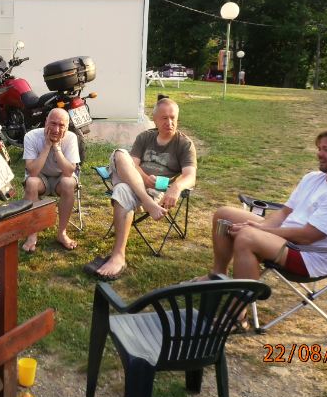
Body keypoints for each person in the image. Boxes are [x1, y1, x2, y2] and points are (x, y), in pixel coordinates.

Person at [195, 128, 327, 329]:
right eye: (319, 148)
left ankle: (237, 316)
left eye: (326, 149)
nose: (319, 154)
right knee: (224, 215)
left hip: (310, 257)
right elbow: (284, 213)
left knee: (247, 237)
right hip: (287, 239)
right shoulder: (314, 178)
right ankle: (218, 275)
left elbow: (307, 237)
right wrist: (260, 226)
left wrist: (259, 232)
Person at [94, 97, 197, 279]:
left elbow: (190, 175)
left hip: (157, 191)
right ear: (155, 119)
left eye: (173, 117)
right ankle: (145, 204)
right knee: (120, 154)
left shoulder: (184, 144)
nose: (169, 122)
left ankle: (118, 255)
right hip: (137, 186)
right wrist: (144, 178)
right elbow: (132, 164)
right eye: (164, 118)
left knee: (121, 190)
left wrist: (175, 187)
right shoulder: (145, 137)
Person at [21, 108, 81, 253]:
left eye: (61, 125)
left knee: (68, 183)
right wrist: (47, 146)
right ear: (45, 122)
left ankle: (62, 233)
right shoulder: (31, 136)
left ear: (67, 127)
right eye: (53, 123)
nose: (56, 129)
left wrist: (56, 147)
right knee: (31, 182)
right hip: (40, 177)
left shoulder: (71, 137)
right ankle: (32, 234)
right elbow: (32, 171)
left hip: (61, 177)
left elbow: (69, 171)